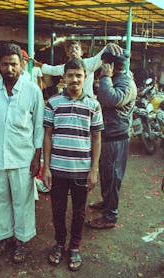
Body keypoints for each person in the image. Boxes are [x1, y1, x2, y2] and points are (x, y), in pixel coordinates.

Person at [0, 43, 44, 263]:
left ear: (22, 65)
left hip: (22, 158)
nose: (9, 68)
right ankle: (4, 237)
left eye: (13, 64)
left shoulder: (32, 91)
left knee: (22, 202)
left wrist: (37, 158)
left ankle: (21, 242)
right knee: (0, 200)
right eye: (4, 64)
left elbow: (39, 127)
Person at [43, 58, 104, 271]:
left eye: (79, 75)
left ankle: (75, 247)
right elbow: (48, 136)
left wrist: (94, 169)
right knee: (58, 210)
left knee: (79, 211)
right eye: (70, 75)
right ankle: (59, 244)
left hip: (81, 169)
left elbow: (96, 138)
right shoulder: (53, 103)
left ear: (85, 77)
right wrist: (47, 168)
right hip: (58, 169)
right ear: (64, 78)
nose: (74, 79)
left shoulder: (93, 105)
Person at [88, 48, 137, 229]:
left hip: (117, 138)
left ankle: (110, 216)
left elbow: (111, 99)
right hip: (108, 135)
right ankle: (106, 202)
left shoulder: (126, 82)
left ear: (110, 65)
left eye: (104, 63)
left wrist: (105, 78)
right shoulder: (118, 78)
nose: (102, 67)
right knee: (106, 174)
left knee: (113, 177)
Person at [35, 40, 122, 98]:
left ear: (81, 52)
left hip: (87, 100)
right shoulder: (65, 67)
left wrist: (108, 46)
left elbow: (100, 56)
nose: (73, 50)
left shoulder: (89, 63)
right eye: (71, 49)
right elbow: (51, 70)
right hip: (71, 100)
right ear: (68, 54)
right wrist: (36, 64)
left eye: (76, 48)